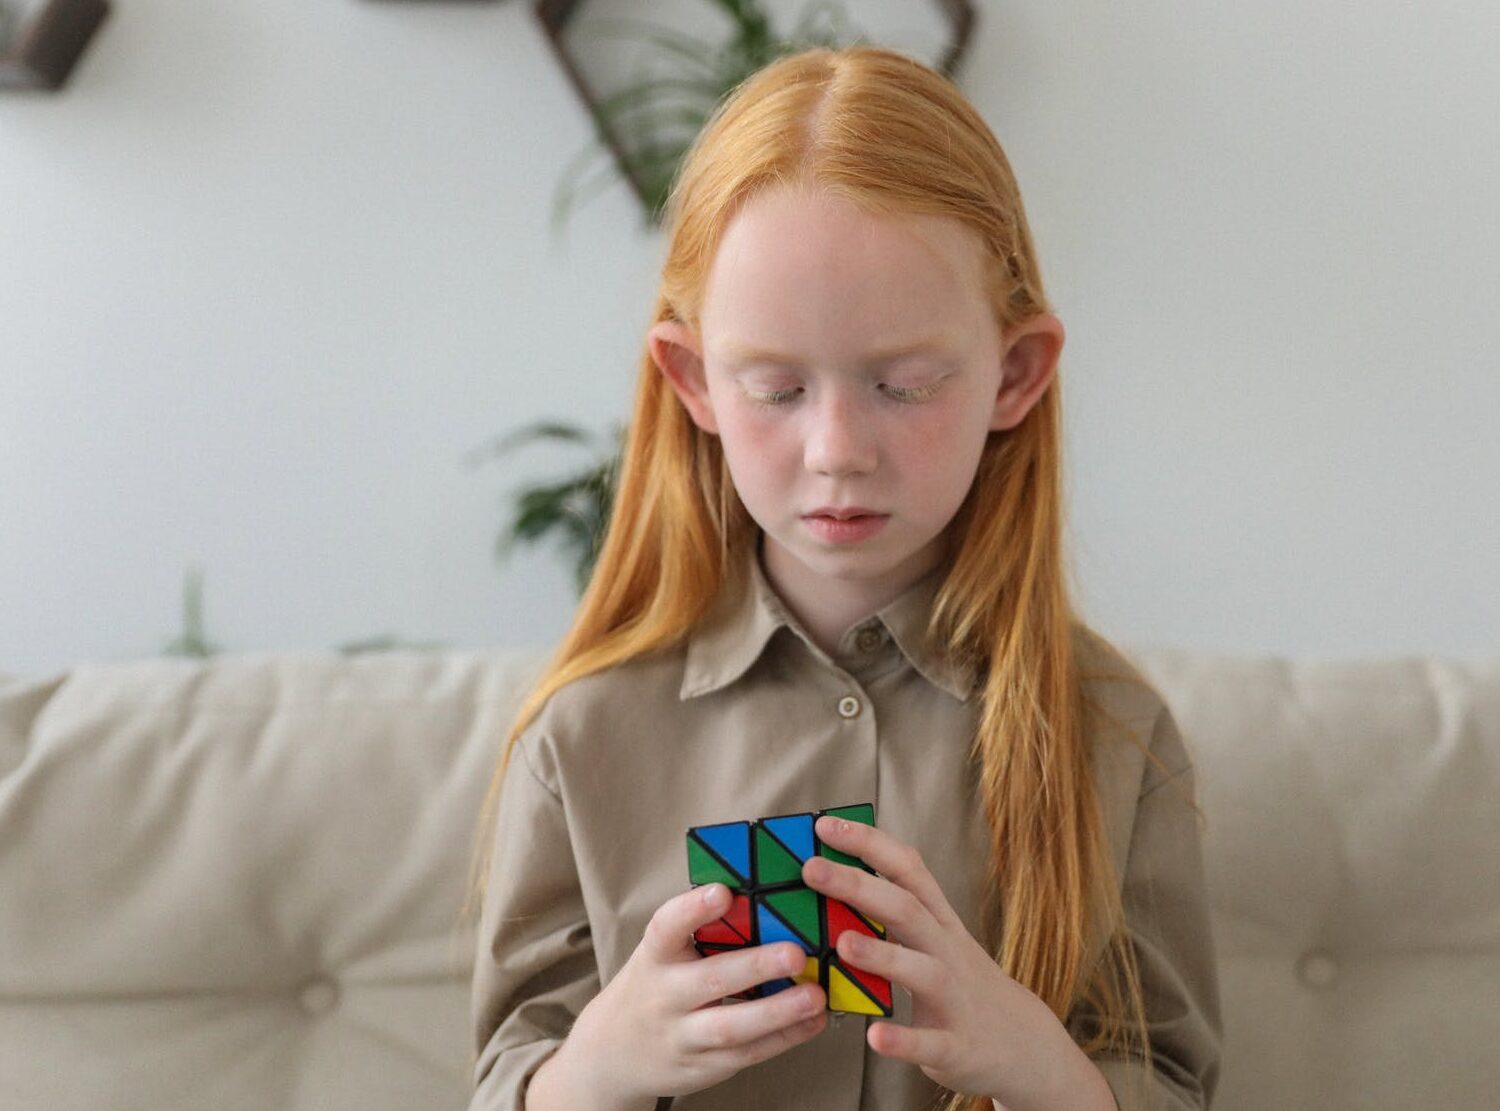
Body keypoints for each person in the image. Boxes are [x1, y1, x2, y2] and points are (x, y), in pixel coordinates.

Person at [465, 44, 1222, 1111]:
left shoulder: (1112, 736)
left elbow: (1174, 1081)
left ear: (1014, 374)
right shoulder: (583, 739)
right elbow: (506, 1076)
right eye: (773, 387)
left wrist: (1040, 1066)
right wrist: (596, 1070)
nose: (836, 449)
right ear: (692, 382)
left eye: (904, 384)